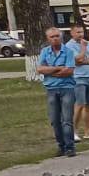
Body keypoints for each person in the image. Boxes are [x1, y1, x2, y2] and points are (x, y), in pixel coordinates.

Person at [35, 27, 77, 156]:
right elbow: (40, 69)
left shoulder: (68, 51)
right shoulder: (45, 52)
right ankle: (61, 145)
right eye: (52, 37)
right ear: (48, 39)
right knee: (54, 119)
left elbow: (69, 70)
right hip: (51, 89)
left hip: (67, 88)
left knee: (67, 119)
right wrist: (58, 69)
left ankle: (70, 147)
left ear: (61, 37)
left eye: (57, 36)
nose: (55, 39)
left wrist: (50, 71)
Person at [70, 29, 89, 140]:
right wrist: (83, 49)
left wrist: (84, 61)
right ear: (72, 33)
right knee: (79, 105)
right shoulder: (69, 46)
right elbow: (77, 59)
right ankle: (73, 132)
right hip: (78, 78)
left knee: (88, 106)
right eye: (77, 32)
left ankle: (88, 132)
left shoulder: (87, 43)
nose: (80, 34)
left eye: (81, 32)